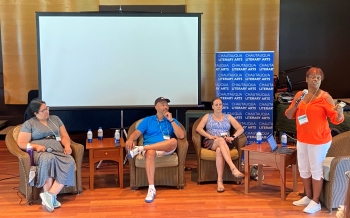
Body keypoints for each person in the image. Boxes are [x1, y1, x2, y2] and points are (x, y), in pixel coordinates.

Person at [285, 67, 344, 214]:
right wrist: (297, 103)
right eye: (313, 77)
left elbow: (336, 119)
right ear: (306, 79)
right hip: (303, 138)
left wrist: (340, 112)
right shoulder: (300, 94)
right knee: (304, 168)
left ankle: (316, 202)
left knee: (316, 170)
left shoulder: (325, 97)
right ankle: (308, 196)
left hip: (319, 140)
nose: (315, 80)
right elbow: (288, 114)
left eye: (318, 78)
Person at [17, 99, 75, 212]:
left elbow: (64, 136)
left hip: (57, 149)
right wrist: (35, 146)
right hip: (41, 152)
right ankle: (50, 198)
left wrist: (67, 146)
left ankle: (50, 195)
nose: (47, 111)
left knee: (70, 161)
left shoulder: (56, 119)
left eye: (47, 108)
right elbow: (21, 143)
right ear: (35, 113)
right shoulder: (29, 124)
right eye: (43, 110)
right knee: (48, 158)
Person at [126, 97, 185, 203]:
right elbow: (136, 133)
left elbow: (181, 135)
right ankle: (151, 188)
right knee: (150, 153)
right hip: (151, 150)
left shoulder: (172, 120)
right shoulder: (148, 120)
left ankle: (141, 148)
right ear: (156, 107)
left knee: (173, 141)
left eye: (167, 105)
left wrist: (171, 120)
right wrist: (130, 139)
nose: (165, 107)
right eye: (162, 104)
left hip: (166, 149)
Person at [195, 97, 244, 193]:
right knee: (220, 140)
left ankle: (220, 181)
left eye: (220, 104)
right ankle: (233, 168)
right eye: (216, 105)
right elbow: (199, 129)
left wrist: (233, 137)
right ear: (212, 106)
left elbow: (240, 129)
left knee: (219, 150)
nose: (218, 106)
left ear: (222, 106)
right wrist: (209, 136)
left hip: (226, 142)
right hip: (210, 142)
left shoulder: (228, 116)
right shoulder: (207, 116)